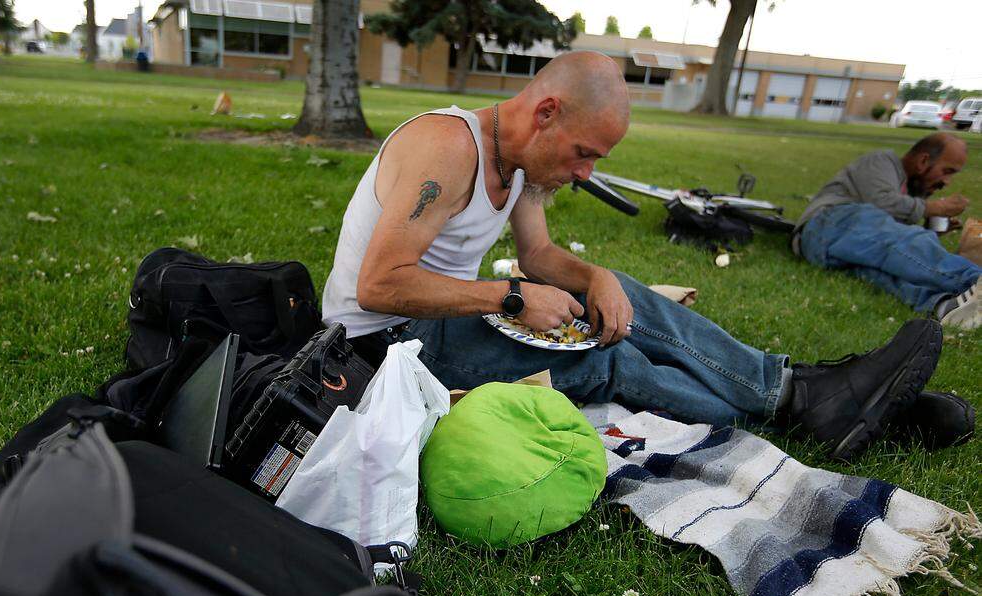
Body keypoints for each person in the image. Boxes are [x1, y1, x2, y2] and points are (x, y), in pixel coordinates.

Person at [321, 52, 956, 460]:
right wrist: (510, 295)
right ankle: (807, 404)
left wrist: (596, 275)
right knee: (611, 360)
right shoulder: (446, 147)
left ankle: (804, 394)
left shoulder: (515, 163)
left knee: (611, 303)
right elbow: (380, 284)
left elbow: (538, 252)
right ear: (546, 112)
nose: (583, 174)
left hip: (435, 325)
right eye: (584, 153)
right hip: (379, 352)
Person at [793, 133, 981, 329]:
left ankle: (945, 306)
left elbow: (887, 237)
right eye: (947, 171)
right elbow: (881, 203)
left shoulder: (908, 189)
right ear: (923, 161)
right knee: (910, 240)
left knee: (886, 273)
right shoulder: (881, 161)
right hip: (826, 223)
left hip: (831, 251)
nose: (947, 181)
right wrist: (935, 208)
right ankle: (973, 279)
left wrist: (928, 227)